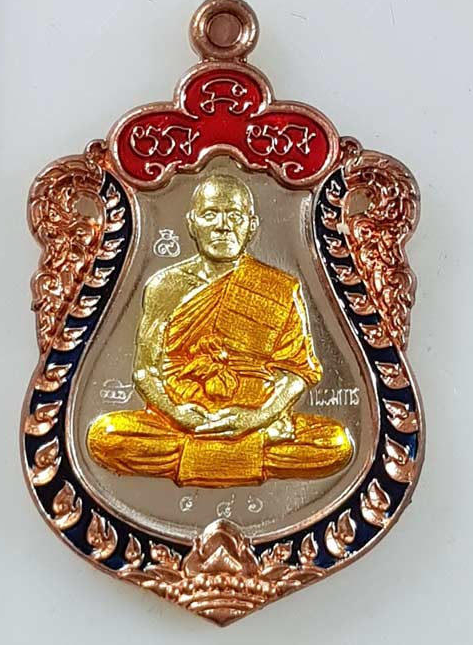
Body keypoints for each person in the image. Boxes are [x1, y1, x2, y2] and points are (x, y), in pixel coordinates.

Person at [87, 173, 353, 487]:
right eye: (210, 214)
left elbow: (298, 373)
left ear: (251, 226)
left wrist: (256, 417)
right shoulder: (164, 286)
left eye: (235, 216)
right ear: (192, 223)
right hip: (182, 419)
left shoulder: (280, 287)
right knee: (105, 436)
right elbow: (145, 372)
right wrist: (179, 414)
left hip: (255, 417)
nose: (223, 226)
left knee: (335, 444)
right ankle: (247, 452)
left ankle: (208, 453)